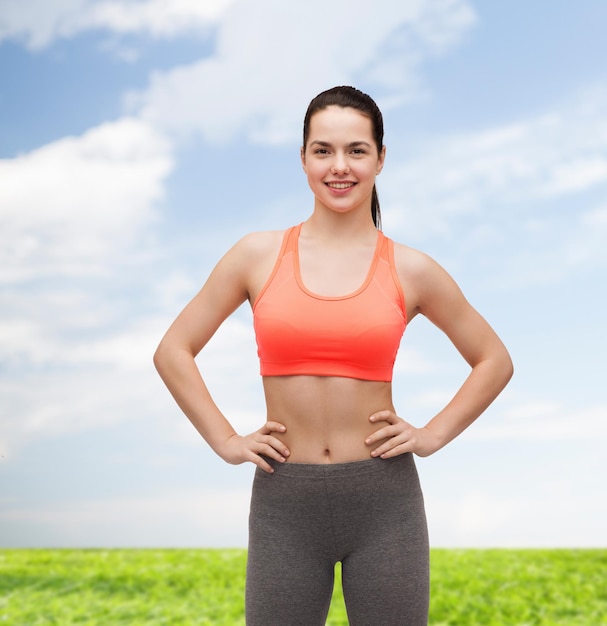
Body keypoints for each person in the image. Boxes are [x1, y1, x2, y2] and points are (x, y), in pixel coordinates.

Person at [154, 85, 513, 625]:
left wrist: (433, 434)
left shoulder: (410, 268)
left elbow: (493, 359)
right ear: (302, 158)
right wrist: (226, 440)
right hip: (284, 504)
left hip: (384, 501)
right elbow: (173, 350)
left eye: (356, 150)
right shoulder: (257, 255)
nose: (339, 166)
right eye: (323, 150)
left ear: (380, 158)